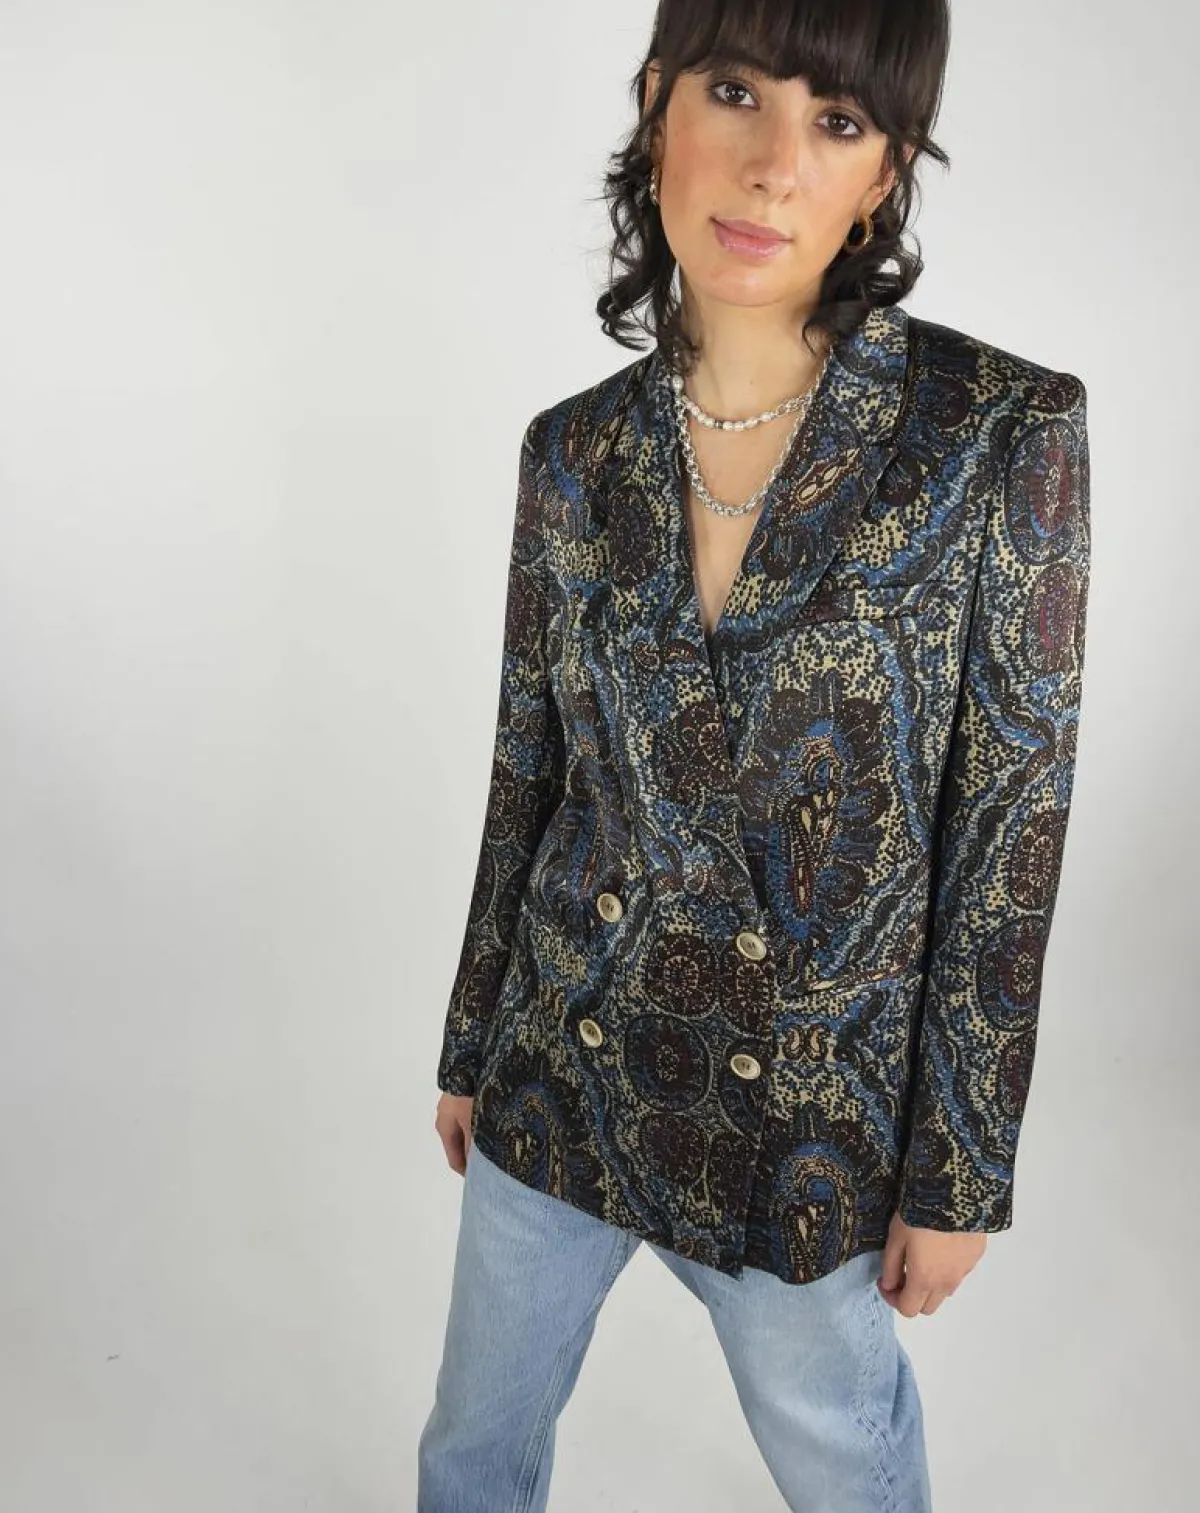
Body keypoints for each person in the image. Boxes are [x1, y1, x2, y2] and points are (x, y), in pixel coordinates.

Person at [418, 2, 1090, 1510]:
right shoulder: (573, 451)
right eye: (736, 92)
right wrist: (472, 1045)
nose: (776, 164)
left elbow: (1011, 831)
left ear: (884, 175)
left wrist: (960, 1174)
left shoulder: (996, 433)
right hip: (559, 1068)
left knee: (849, 1471)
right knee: (473, 1445)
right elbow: (528, 770)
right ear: (660, 104)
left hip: (807, 1126)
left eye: (837, 122)